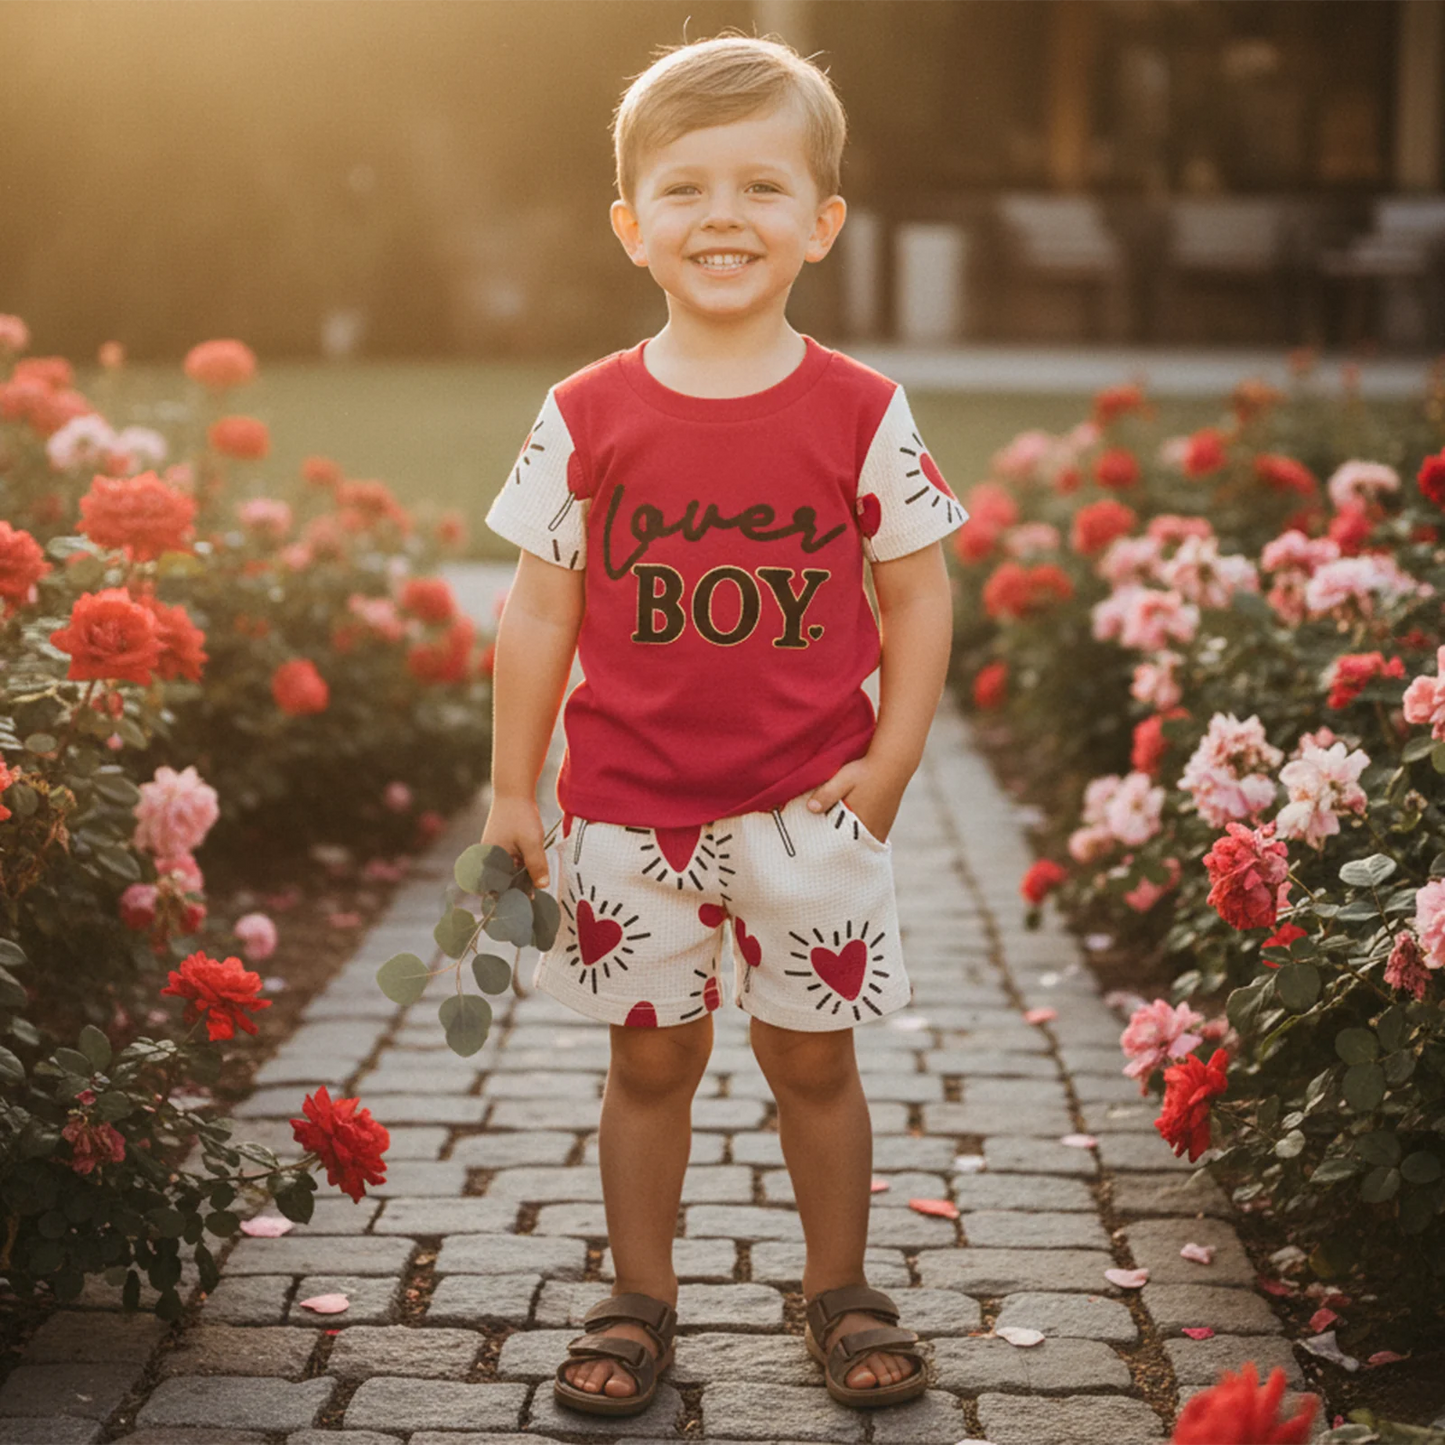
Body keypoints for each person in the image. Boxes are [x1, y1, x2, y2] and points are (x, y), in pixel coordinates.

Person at [481, 33, 966, 1418]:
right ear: (632, 227)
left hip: (811, 812)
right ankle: (639, 1299)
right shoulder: (585, 413)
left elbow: (919, 595)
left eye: (763, 187)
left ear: (822, 222)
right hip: (629, 813)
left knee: (814, 1057)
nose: (723, 217)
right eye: (685, 189)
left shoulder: (863, 410)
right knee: (651, 1059)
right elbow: (538, 611)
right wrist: (514, 791)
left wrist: (888, 767)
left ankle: (841, 1289)